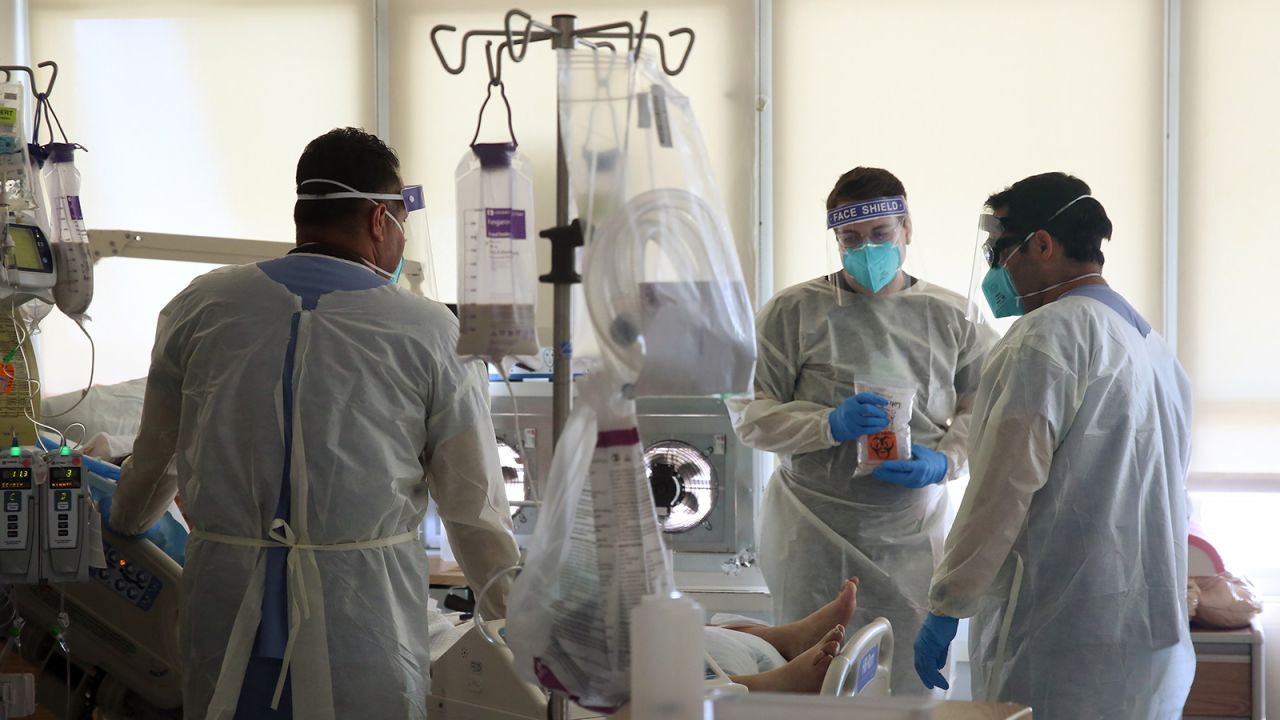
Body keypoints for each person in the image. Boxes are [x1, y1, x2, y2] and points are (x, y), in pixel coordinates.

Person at [109, 127, 521, 720]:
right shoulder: (431, 332)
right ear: (382, 220)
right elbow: (473, 507)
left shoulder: (201, 306)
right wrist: (513, 621)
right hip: (362, 620)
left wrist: (124, 522)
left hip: (226, 612)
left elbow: (154, 461)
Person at [914, 173, 1194, 719]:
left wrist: (948, 601)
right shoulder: (1152, 348)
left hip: (1063, 636)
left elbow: (1002, 489)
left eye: (1000, 252)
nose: (998, 271)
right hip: (1150, 633)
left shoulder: (1048, 337)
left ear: (1042, 245)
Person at [727, 167, 997, 695]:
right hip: (813, 529)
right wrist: (827, 422)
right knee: (810, 676)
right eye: (850, 239)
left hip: (909, 534)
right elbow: (749, 414)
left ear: (907, 230)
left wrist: (945, 459)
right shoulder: (793, 312)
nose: (865, 249)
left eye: (880, 234)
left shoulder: (953, 317)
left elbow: (985, 410)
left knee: (903, 683)